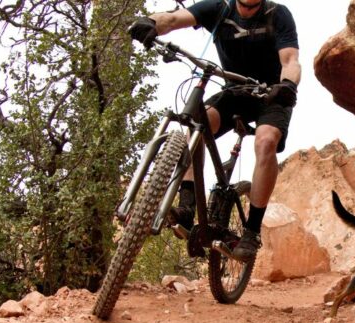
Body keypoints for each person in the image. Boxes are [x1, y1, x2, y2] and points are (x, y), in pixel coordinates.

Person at [129, 0, 301, 262]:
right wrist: (151, 22)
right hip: (234, 92)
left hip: (272, 95)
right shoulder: (218, 9)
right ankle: (186, 207)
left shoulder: (278, 14)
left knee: (265, 142)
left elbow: (290, 59)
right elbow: (173, 19)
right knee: (196, 124)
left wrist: (288, 84)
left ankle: (251, 231)